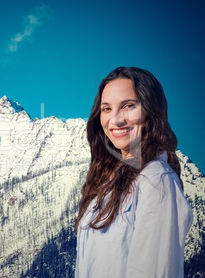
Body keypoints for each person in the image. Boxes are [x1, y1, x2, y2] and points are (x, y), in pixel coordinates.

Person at [74, 66, 193, 277]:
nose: (116, 120)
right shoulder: (105, 184)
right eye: (107, 109)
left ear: (150, 111)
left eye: (128, 106)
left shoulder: (156, 180)